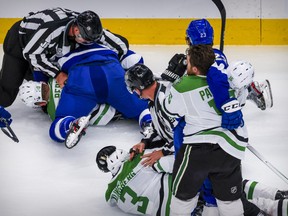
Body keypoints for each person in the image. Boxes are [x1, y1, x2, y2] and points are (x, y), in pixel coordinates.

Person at [18, 43, 151, 148]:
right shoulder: (104, 41)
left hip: (81, 82)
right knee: (142, 108)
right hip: (110, 70)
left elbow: (38, 64)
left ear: (40, 103)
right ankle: (149, 122)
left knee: (57, 128)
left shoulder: (53, 109)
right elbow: (135, 58)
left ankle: (69, 124)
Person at [96, 145, 288, 216]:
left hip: (175, 212)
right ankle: (277, 200)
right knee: (226, 184)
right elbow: (173, 164)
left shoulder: (111, 195)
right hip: (185, 197)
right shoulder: (137, 163)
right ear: (117, 156)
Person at [0, 7, 129, 107]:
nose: (89, 44)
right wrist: (57, 74)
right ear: (76, 30)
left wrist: (111, 67)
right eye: (87, 40)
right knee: (5, 98)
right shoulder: (52, 30)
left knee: (49, 97)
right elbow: (31, 54)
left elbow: (121, 43)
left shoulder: (88, 29)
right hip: (21, 43)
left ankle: (29, 74)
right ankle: (22, 73)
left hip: (45, 50)